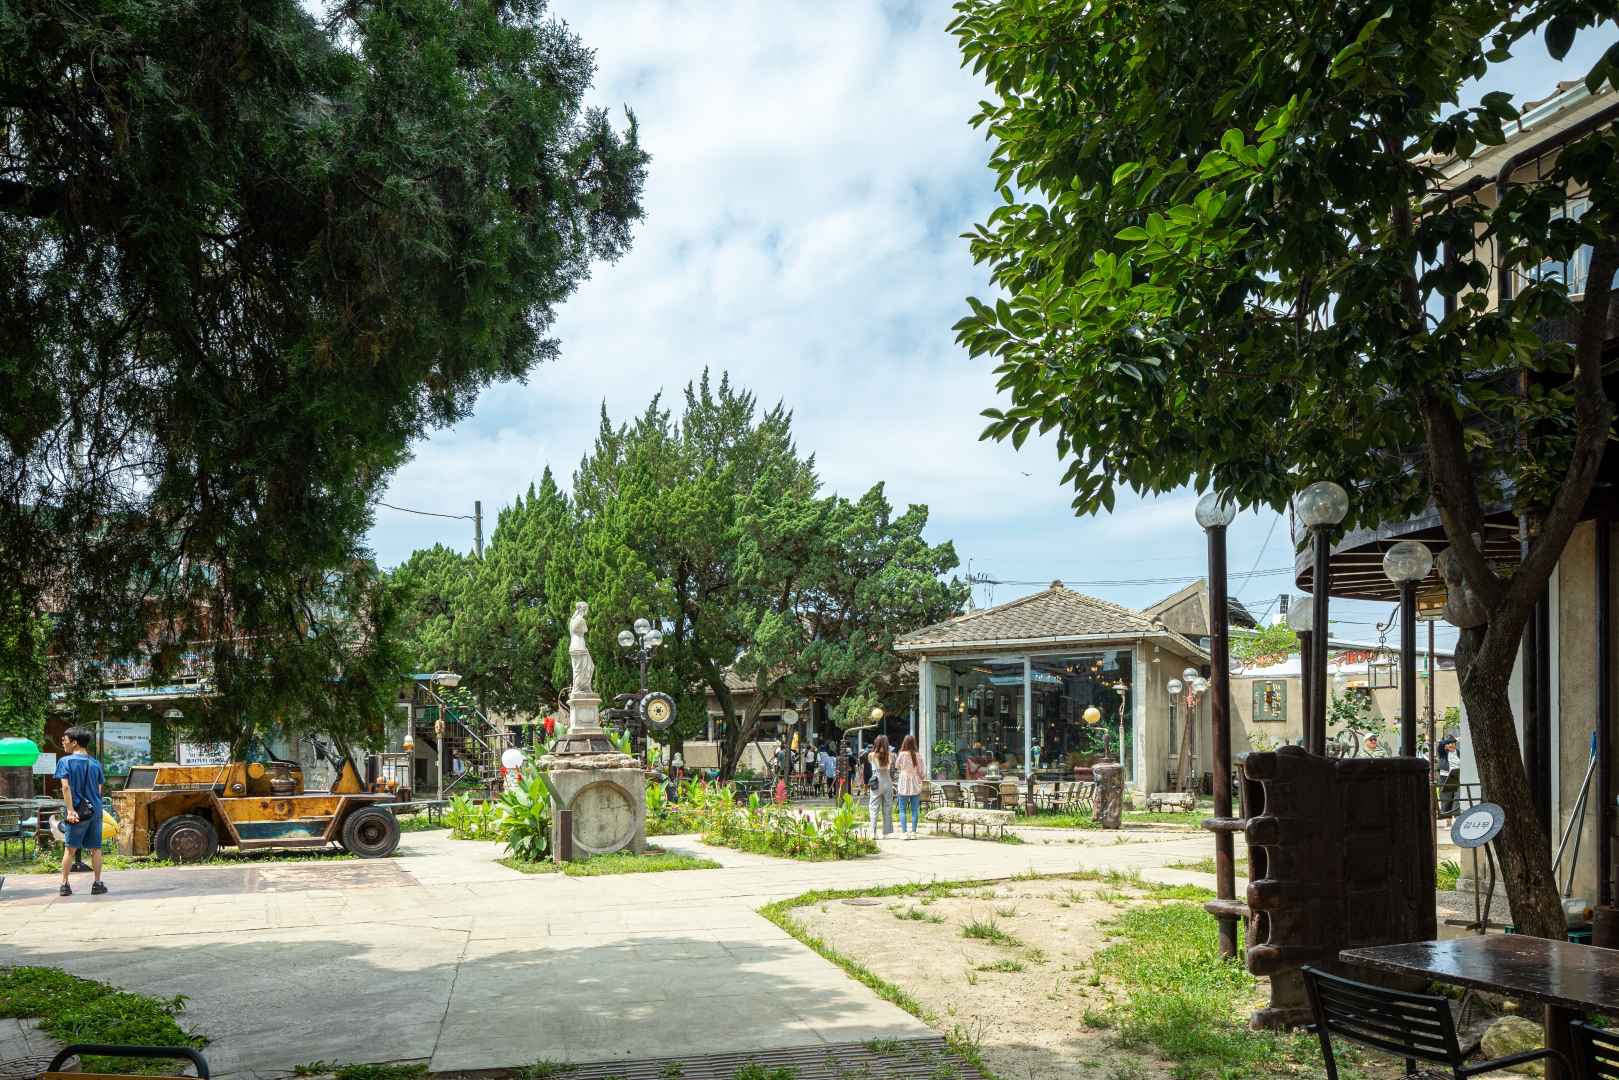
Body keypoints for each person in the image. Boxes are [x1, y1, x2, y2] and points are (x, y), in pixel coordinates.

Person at [54, 725, 107, 897]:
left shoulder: (65, 762)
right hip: (95, 810)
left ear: (74, 742)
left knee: (70, 849)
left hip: (76, 811)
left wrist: (70, 810)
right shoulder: (96, 763)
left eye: (64, 740)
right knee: (96, 848)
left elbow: (65, 787)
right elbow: (99, 790)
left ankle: (65, 885)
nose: (63, 742)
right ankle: (97, 883)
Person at [866, 734, 896, 839]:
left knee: (873, 807)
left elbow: (871, 763)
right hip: (887, 781)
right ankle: (886, 833)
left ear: (876, 743)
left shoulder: (871, 755)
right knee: (887, 807)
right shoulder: (891, 755)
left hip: (876, 781)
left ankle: (873, 833)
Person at [895, 734, 923, 839]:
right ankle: (914, 833)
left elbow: (896, 765)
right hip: (915, 783)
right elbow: (921, 770)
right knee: (915, 810)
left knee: (902, 809)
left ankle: (904, 833)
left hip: (903, 783)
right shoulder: (918, 755)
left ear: (904, 743)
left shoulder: (902, 754)